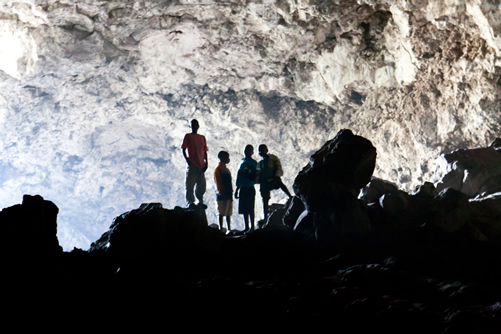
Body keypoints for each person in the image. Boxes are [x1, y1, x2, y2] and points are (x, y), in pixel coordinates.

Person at [258, 144, 292, 219]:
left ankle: (290, 196)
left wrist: (277, 175)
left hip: (274, 178)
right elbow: (258, 174)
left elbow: (278, 166)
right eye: (260, 150)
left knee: (279, 183)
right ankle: (265, 217)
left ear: (267, 150)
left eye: (263, 149)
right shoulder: (260, 163)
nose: (261, 151)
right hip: (265, 183)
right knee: (265, 199)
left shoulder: (273, 158)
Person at [181, 119, 208, 208]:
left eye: (195, 124)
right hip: (192, 164)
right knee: (190, 184)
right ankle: (190, 202)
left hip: (201, 165)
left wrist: (206, 162)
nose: (194, 126)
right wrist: (187, 160)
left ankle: (200, 201)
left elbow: (205, 151)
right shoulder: (188, 136)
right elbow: (183, 148)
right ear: (191, 126)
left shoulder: (202, 138)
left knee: (201, 185)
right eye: (192, 125)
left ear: (198, 126)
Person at [234, 145, 258, 233]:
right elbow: (239, 177)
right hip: (243, 188)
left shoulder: (253, 162)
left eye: (249, 150)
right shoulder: (242, 161)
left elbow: (255, 174)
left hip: (250, 187)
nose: (247, 152)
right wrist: (237, 189)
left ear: (252, 152)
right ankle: (246, 227)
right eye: (246, 150)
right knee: (244, 209)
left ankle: (252, 227)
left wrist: (248, 173)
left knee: (250, 208)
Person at [214, 151, 233, 232]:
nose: (228, 159)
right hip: (222, 194)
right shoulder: (218, 169)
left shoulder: (227, 169)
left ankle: (228, 229)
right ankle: (221, 228)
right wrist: (221, 191)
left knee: (228, 212)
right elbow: (218, 182)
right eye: (227, 157)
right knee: (221, 212)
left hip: (228, 193)